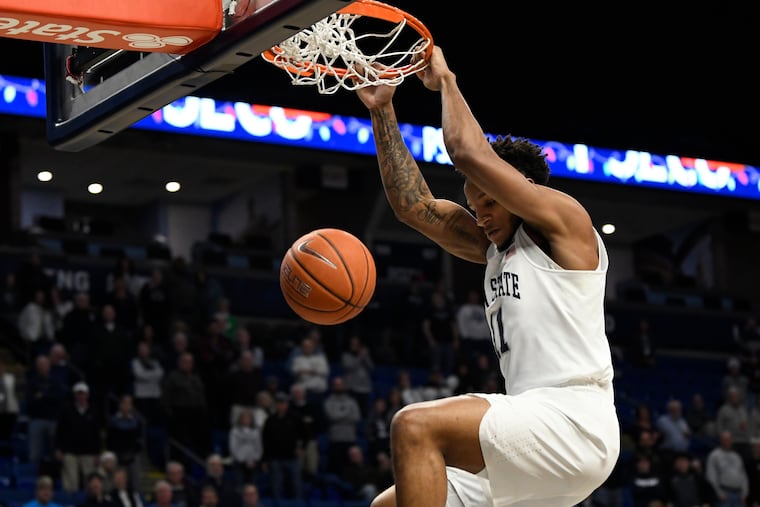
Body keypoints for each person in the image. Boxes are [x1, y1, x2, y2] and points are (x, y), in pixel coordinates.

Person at [354, 45, 620, 507]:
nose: (480, 217)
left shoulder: (566, 224)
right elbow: (413, 206)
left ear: (523, 191)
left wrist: (447, 83)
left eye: (490, 203)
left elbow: (467, 151)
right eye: (474, 206)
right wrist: (383, 110)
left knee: (414, 425)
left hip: (575, 421)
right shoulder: (495, 247)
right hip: (535, 438)